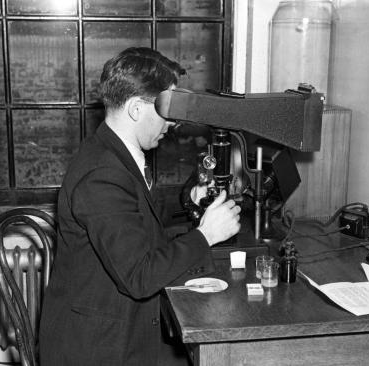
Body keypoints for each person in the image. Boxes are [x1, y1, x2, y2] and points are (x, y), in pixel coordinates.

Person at [39, 47, 241, 366]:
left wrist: (188, 202)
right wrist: (205, 236)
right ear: (136, 108)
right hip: (96, 348)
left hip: (115, 325)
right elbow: (140, 277)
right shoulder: (102, 176)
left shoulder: (115, 151)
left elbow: (136, 219)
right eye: (167, 110)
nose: (173, 123)